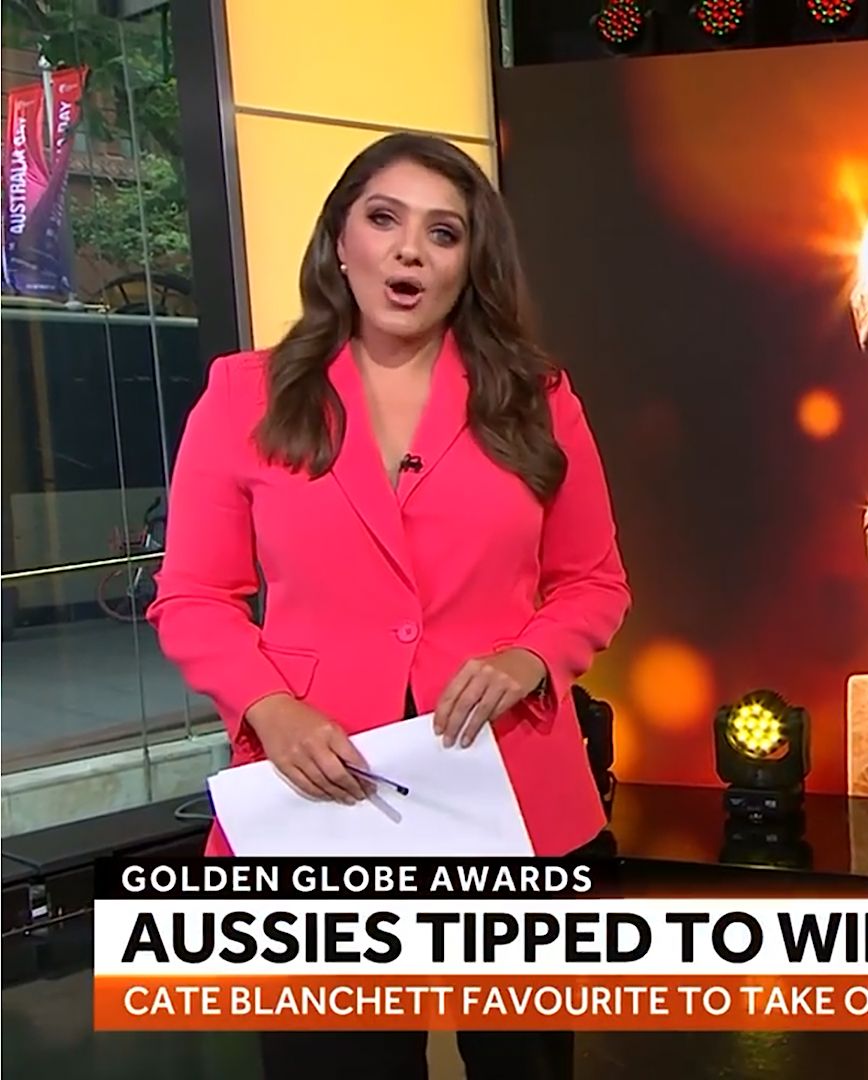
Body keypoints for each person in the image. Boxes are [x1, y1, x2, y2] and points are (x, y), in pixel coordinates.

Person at [148, 131, 629, 1080]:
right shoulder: (244, 396)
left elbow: (594, 581)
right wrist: (270, 707)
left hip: (508, 789)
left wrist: (530, 658)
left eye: (443, 233)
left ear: (468, 264)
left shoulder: (535, 398)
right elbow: (194, 595)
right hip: (317, 792)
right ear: (340, 240)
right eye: (384, 219)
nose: (410, 250)